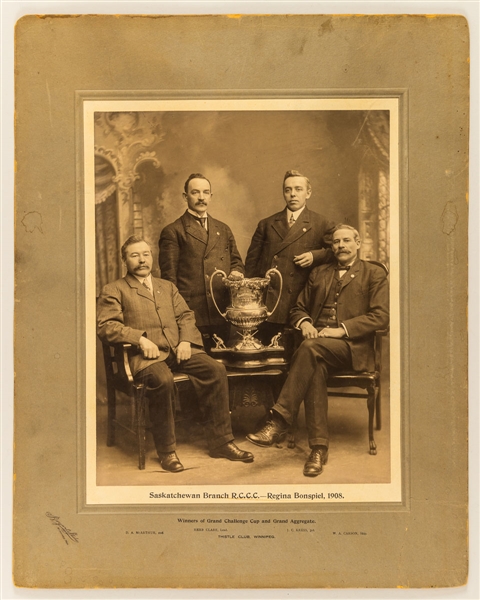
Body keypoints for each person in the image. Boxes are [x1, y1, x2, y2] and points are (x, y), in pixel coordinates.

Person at [97, 235, 254, 472]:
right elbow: (106, 326)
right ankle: (167, 451)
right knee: (163, 380)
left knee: (216, 370)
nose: (142, 260)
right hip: (145, 357)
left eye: (146, 254)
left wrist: (186, 341)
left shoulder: (167, 287)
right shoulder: (114, 290)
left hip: (177, 350)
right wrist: (139, 338)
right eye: (134, 255)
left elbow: (186, 316)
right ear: (124, 260)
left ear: (152, 257)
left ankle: (221, 441)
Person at [246, 225, 389, 477]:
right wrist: (306, 323)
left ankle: (279, 420)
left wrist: (341, 330)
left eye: (346, 241)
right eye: (336, 242)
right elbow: (297, 309)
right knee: (314, 366)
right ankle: (318, 449)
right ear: (331, 247)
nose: (340, 246)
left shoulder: (373, 274)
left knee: (309, 349)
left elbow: (381, 317)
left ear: (358, 243)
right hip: (317, 351)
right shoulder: (319, 273)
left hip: (352, 348)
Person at [244, 169, 335, 345]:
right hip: (269, 305)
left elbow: (338, 252)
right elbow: (251, 265)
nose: (293, 194)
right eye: (288, 190)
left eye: (298, 189)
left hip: (302, 303)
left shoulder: (321, 223)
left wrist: (314, 255)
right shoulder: (267, 224)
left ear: (308, 193)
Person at [159, 173, 244, 351]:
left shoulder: (223, 229)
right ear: (185, 196)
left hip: (222, 308)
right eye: (195, 192)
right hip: (192, 311)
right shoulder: (173, 231)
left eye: (206, 193)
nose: (201, 197)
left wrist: (236, 272)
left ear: (211, 197)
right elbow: (169, 281)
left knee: (224, 360)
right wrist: (178, 314)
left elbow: (237, 261)